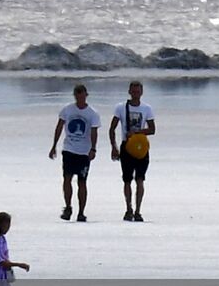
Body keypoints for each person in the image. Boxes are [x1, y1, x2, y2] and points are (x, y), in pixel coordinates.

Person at [48, 83, 100, 222]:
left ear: (86, 95)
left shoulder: (92, 113)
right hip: (69, 149)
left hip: (83, 152)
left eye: (82, 94)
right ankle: (68, 207)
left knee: (82, 182)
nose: (79, 97)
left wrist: (93, 148)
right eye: (77, 95)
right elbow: (59, 127)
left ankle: (81, 212)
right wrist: (54, 146)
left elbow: (94, 132)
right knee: (67, 178)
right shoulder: (67, 110)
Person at [110, 80, 157, 222]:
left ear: (141, 92)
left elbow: (152, 129)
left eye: (138, 91)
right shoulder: (120, 107)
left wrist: (138, 132)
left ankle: (138, 210)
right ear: (129, 92)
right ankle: (128, 208)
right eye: (133, 91)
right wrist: (114, 147)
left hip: (141, 147)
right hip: (127, 147)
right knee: (127, 180)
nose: (136, 94)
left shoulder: (147, 108)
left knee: (140, 179)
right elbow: (112, 128)